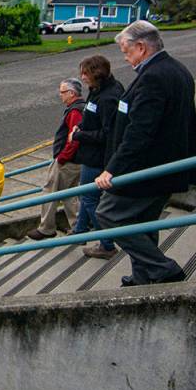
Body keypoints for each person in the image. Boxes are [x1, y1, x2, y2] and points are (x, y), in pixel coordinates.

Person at [95, 21, 196, 286]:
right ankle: (143, 276)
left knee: (107, 214)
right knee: (143, 223)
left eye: (126, 51)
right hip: (165, 167)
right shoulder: (177, 69)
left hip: (145, 170)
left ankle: (162, 268)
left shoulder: (153, 77)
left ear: (141, 47)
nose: (125, 57)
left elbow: (140, 131)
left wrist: (113, 168)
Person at [71, 55, 124, 259]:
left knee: (90, 199)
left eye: (85, 73)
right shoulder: (97, 90)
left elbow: (107, 133)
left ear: (96, 74)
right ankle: (80, 230)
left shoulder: (109, 97)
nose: (82, 77)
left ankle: (107, 244)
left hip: (98, 159)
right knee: (86, 196)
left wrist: (78, 135)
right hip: (91, 155)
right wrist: (81, 126)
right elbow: (91, 117)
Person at [27, 78, 86, 241]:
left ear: (72, 93)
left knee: (49, 191)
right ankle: (78, 228)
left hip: (68, 162)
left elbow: (75, 139)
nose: (60, 95)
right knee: (69, 195)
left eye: (62, 92)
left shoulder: (75, 111)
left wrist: (61, 158)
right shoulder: (80, 107)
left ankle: (46, 228)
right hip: (76, 161)